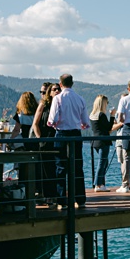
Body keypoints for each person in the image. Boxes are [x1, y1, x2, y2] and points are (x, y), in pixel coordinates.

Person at [47, 74, 90, 208]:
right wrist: (80, 124)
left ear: (60, 84)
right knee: (77, 166)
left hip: (62, 133)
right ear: (72, 83)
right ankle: (80, 199)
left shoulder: (58, 98)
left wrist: (52, 124)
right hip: (76, 134)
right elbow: (85, 122)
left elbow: (52, 119)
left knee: (60, 167)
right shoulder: (80, 99)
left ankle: (62, 200)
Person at [31, 82, 59, 206]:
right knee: (46, 169)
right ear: (50, 92)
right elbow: (35, 123)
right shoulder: (44, 104)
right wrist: (40, 139)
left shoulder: (60, 104)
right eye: (54, 89)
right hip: (45, 141)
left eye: (59, 89)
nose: (57, 91)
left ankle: (56, 195)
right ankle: (48, 196)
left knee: (56, 169)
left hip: (57, 140)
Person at [89, 95, 116, 192]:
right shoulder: (101, 115)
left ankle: (100, 183)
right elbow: (109, 128)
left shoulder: (92, 115)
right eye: (106, 103)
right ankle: (98, 184)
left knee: (103, 162)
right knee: (102, 162)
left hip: (95, 141)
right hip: (103, 141)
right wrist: (112, 115)